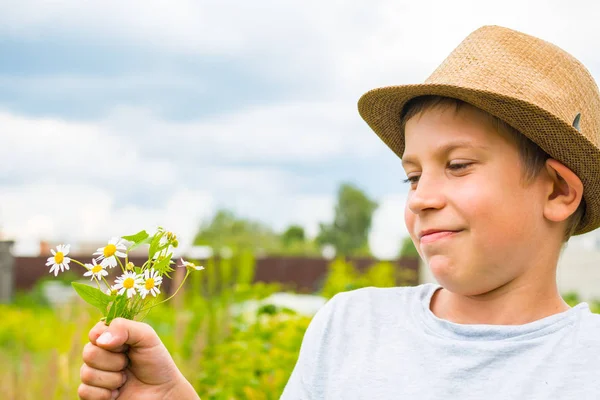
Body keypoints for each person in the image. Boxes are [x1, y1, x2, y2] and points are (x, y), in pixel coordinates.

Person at [78, 25, 600, 399]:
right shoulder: (351, 327)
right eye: (413, 176)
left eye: (458, 165)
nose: (421, 197)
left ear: (557, 191)